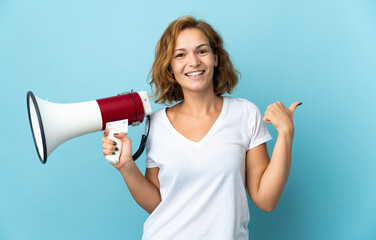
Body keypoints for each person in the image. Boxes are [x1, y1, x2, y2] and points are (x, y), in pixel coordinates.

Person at [101, 16, 301, 240]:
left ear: (216, 58)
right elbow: (157, 203)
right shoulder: (156, 123)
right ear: (170, 67)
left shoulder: (245, 114)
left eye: (202, 51)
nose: (193, 62)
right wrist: (126, 166)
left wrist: (285, 134)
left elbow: (266, 200)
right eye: (180, 55)